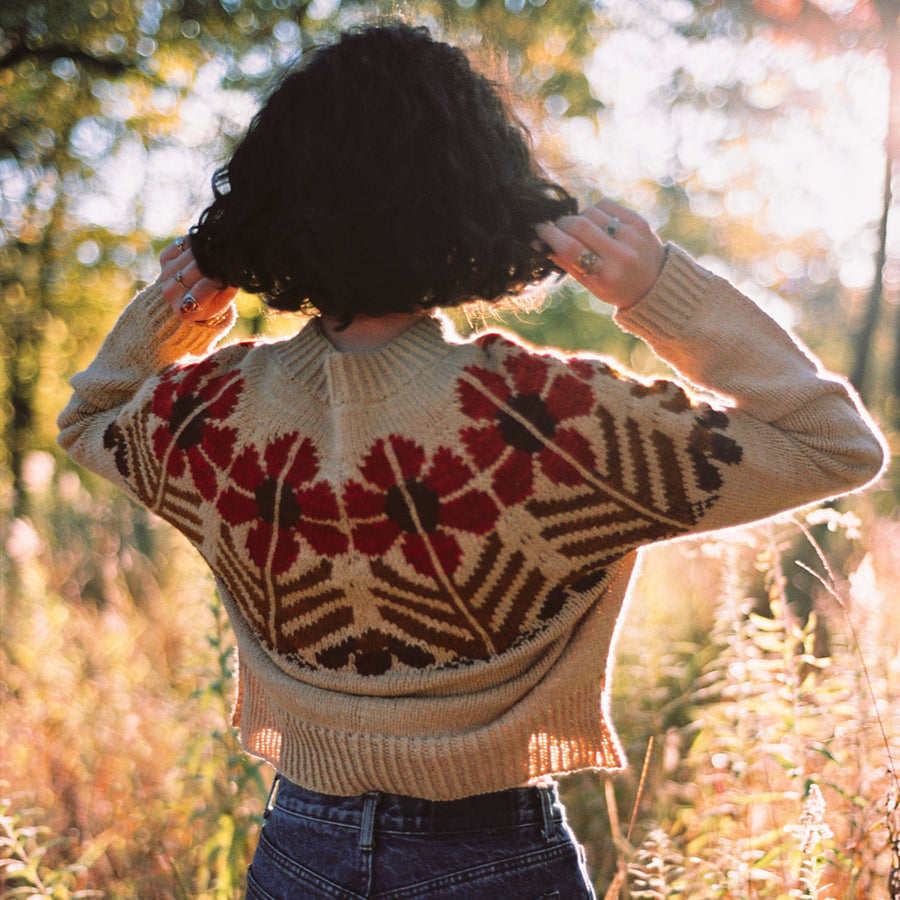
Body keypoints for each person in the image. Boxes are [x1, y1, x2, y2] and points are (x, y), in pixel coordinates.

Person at [58, 20, 886, 900]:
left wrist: (173, 309)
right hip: (496, 856)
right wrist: (658, 293)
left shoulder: (212, 417)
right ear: (481, 201)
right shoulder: (546, 419)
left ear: (269, 206)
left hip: (299, 850)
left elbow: (90, 420)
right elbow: (831, 442)